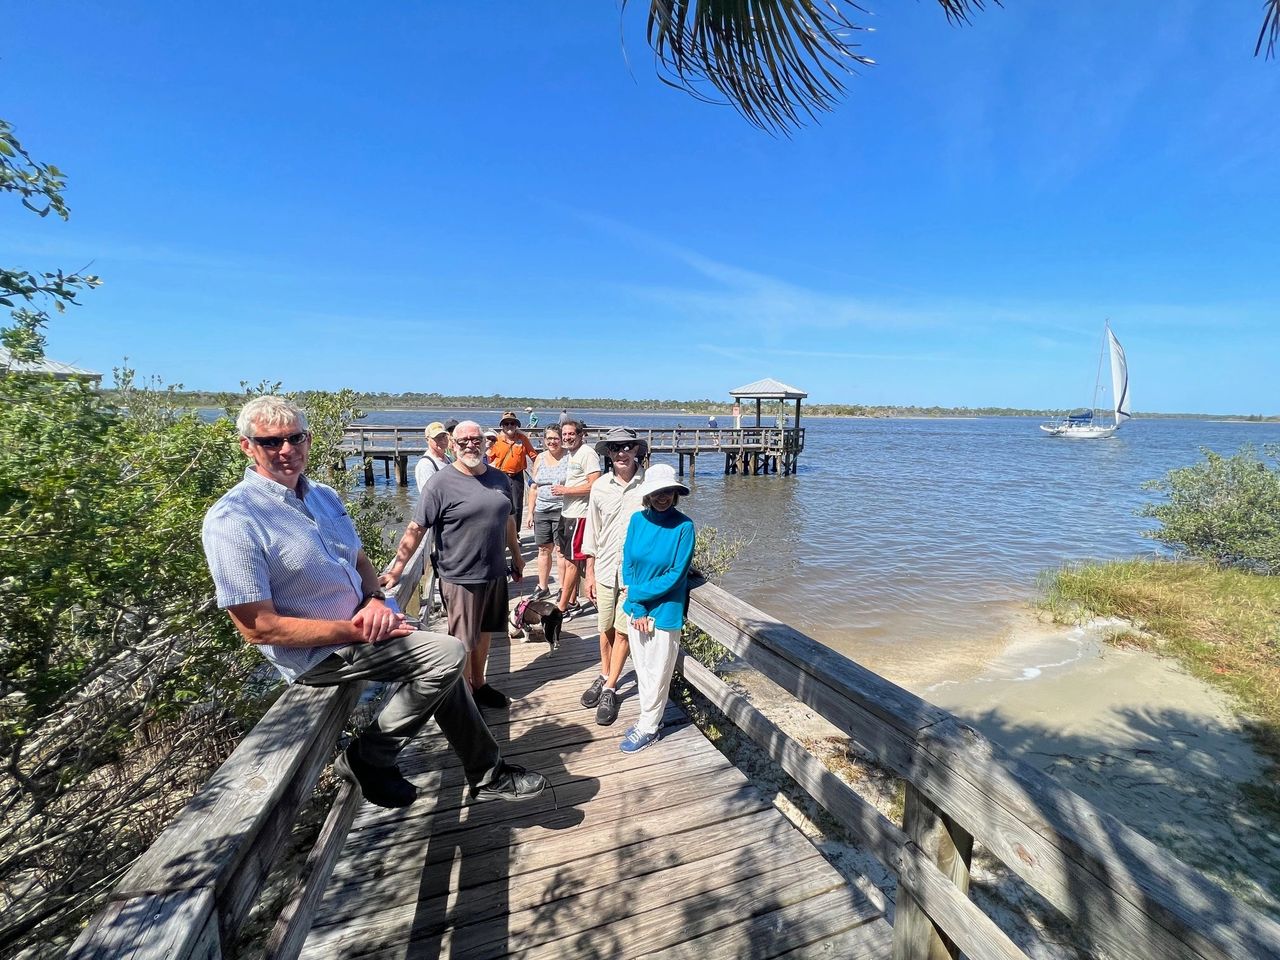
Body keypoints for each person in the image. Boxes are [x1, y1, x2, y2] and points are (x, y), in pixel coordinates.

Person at [201, 397, 545, 809]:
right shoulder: (234, 519)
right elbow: (257, 627)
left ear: (308, 440)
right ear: (247, 446)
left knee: (446, 666)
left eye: (295, 438)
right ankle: (369, 756)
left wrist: (374, 598)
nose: (287, 449)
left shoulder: (322, 495)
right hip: (319, 653)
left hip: (364, 629)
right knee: (449, 652)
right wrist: (357, 628)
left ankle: (486, 773)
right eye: (271, 442)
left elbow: (359, 560)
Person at [382, 420, 524, 711]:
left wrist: (517, 556)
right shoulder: (440, 483)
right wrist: (397, 569)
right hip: (460, 576)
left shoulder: (500, 479)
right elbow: (416, 528)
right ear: (453, 445)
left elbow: (508, 520)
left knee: (484, 632)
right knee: (461, 642)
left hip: (495, 571)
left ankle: (479, 684)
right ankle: (463, 701)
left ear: (485, 443)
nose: (470, 445)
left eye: (476, 440)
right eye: (463, 441)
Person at [618, 463, 695, 753]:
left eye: (669, 492)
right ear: (648, 494)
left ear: (676, 494)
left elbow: (676, 574)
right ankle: (647, 720)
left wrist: (637, 594)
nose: (663, 497)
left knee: (658, 672)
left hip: (665, 610)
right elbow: (628, 560)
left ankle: (649, 728)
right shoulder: (638, 520)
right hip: (636, 609)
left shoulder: (684, 527)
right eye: (657, 492)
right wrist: (636, 604)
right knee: (642, 669)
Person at [580, 427, 647, 726]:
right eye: (615, 447)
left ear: (636, 450)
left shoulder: (648, 485)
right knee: (605, 627)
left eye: (627, 447)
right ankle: (605, 672)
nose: (622, 452)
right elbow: (591, 531)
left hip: (635, 574)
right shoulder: (600, 487)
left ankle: (610, 687)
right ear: (608, 453)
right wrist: (589, 573)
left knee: (623, 631)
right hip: (605, 567)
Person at [552, 419, 601, 616]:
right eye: (564, 434)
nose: (567, 438)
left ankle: (561, 608)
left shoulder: (588, 453)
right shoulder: (572, 453)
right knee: (563, 555)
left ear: (581, 435)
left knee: (573, 561)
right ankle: (571, 600)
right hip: (567, 512)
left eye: (571, 434)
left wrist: (566, 490)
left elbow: (594, 484)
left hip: (580, 515)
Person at [524, 424, 569, 603]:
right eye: (549, 439)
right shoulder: (540, 458)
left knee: (560, 551)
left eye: (555, 438)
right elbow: (534, 487)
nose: (552, 442)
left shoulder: (568, 457)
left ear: (561, 439)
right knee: (543, 549)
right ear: (544, 440)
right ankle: (543, 587)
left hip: (562, 509)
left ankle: (562, 587)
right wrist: (530, 513)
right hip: (542, 510)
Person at [488, 411, 536, 530]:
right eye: (506, 424)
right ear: (502, 426)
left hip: (517, 476)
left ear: (516, 425)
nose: (509, 426)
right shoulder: (496, 440)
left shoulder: (522, 439)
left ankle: (515, 533)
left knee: (517, 506)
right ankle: (502, 531)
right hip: (500, 476)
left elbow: (534, 456)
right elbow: (489, 459)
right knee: (500, 504)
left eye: (512, 423)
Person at [415, 421, 451, 493]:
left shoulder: (448, 459)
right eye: (437, 437)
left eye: (444, 436)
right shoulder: (425, 465)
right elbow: (429, 495)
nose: (442, 440)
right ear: (427, 440)